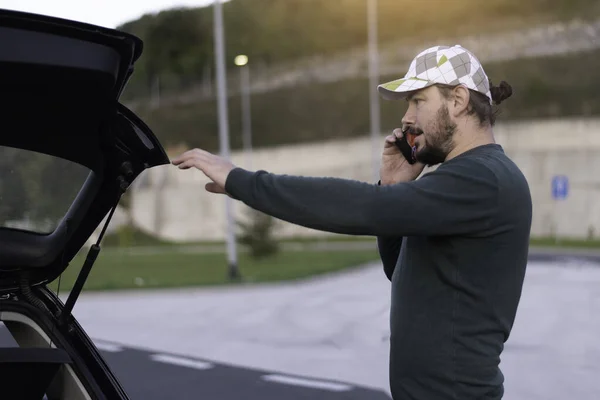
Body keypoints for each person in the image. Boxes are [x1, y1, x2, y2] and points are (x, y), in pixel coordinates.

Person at [172, 44, 532, 400]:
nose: (407, 118)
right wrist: (393, 187)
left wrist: (243, 181)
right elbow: (403, 272)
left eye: (418, 101)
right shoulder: (466, 178)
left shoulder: (483, 179)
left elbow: (361, 207)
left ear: (457, 100)